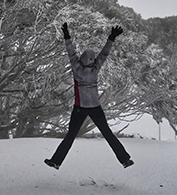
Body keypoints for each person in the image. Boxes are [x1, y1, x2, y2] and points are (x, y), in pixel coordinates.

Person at [44, 22, 134, 170]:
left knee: (71, 135)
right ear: (92, 60)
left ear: (82, 59)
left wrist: (67, 35)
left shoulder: (77, 68)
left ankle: (56, 161)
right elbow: (104, 53)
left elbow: (70, 51)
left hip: (80, 108)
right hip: (95, 108)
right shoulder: (95, 68)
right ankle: (125, 160)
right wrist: (111, 38)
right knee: (107, 134)